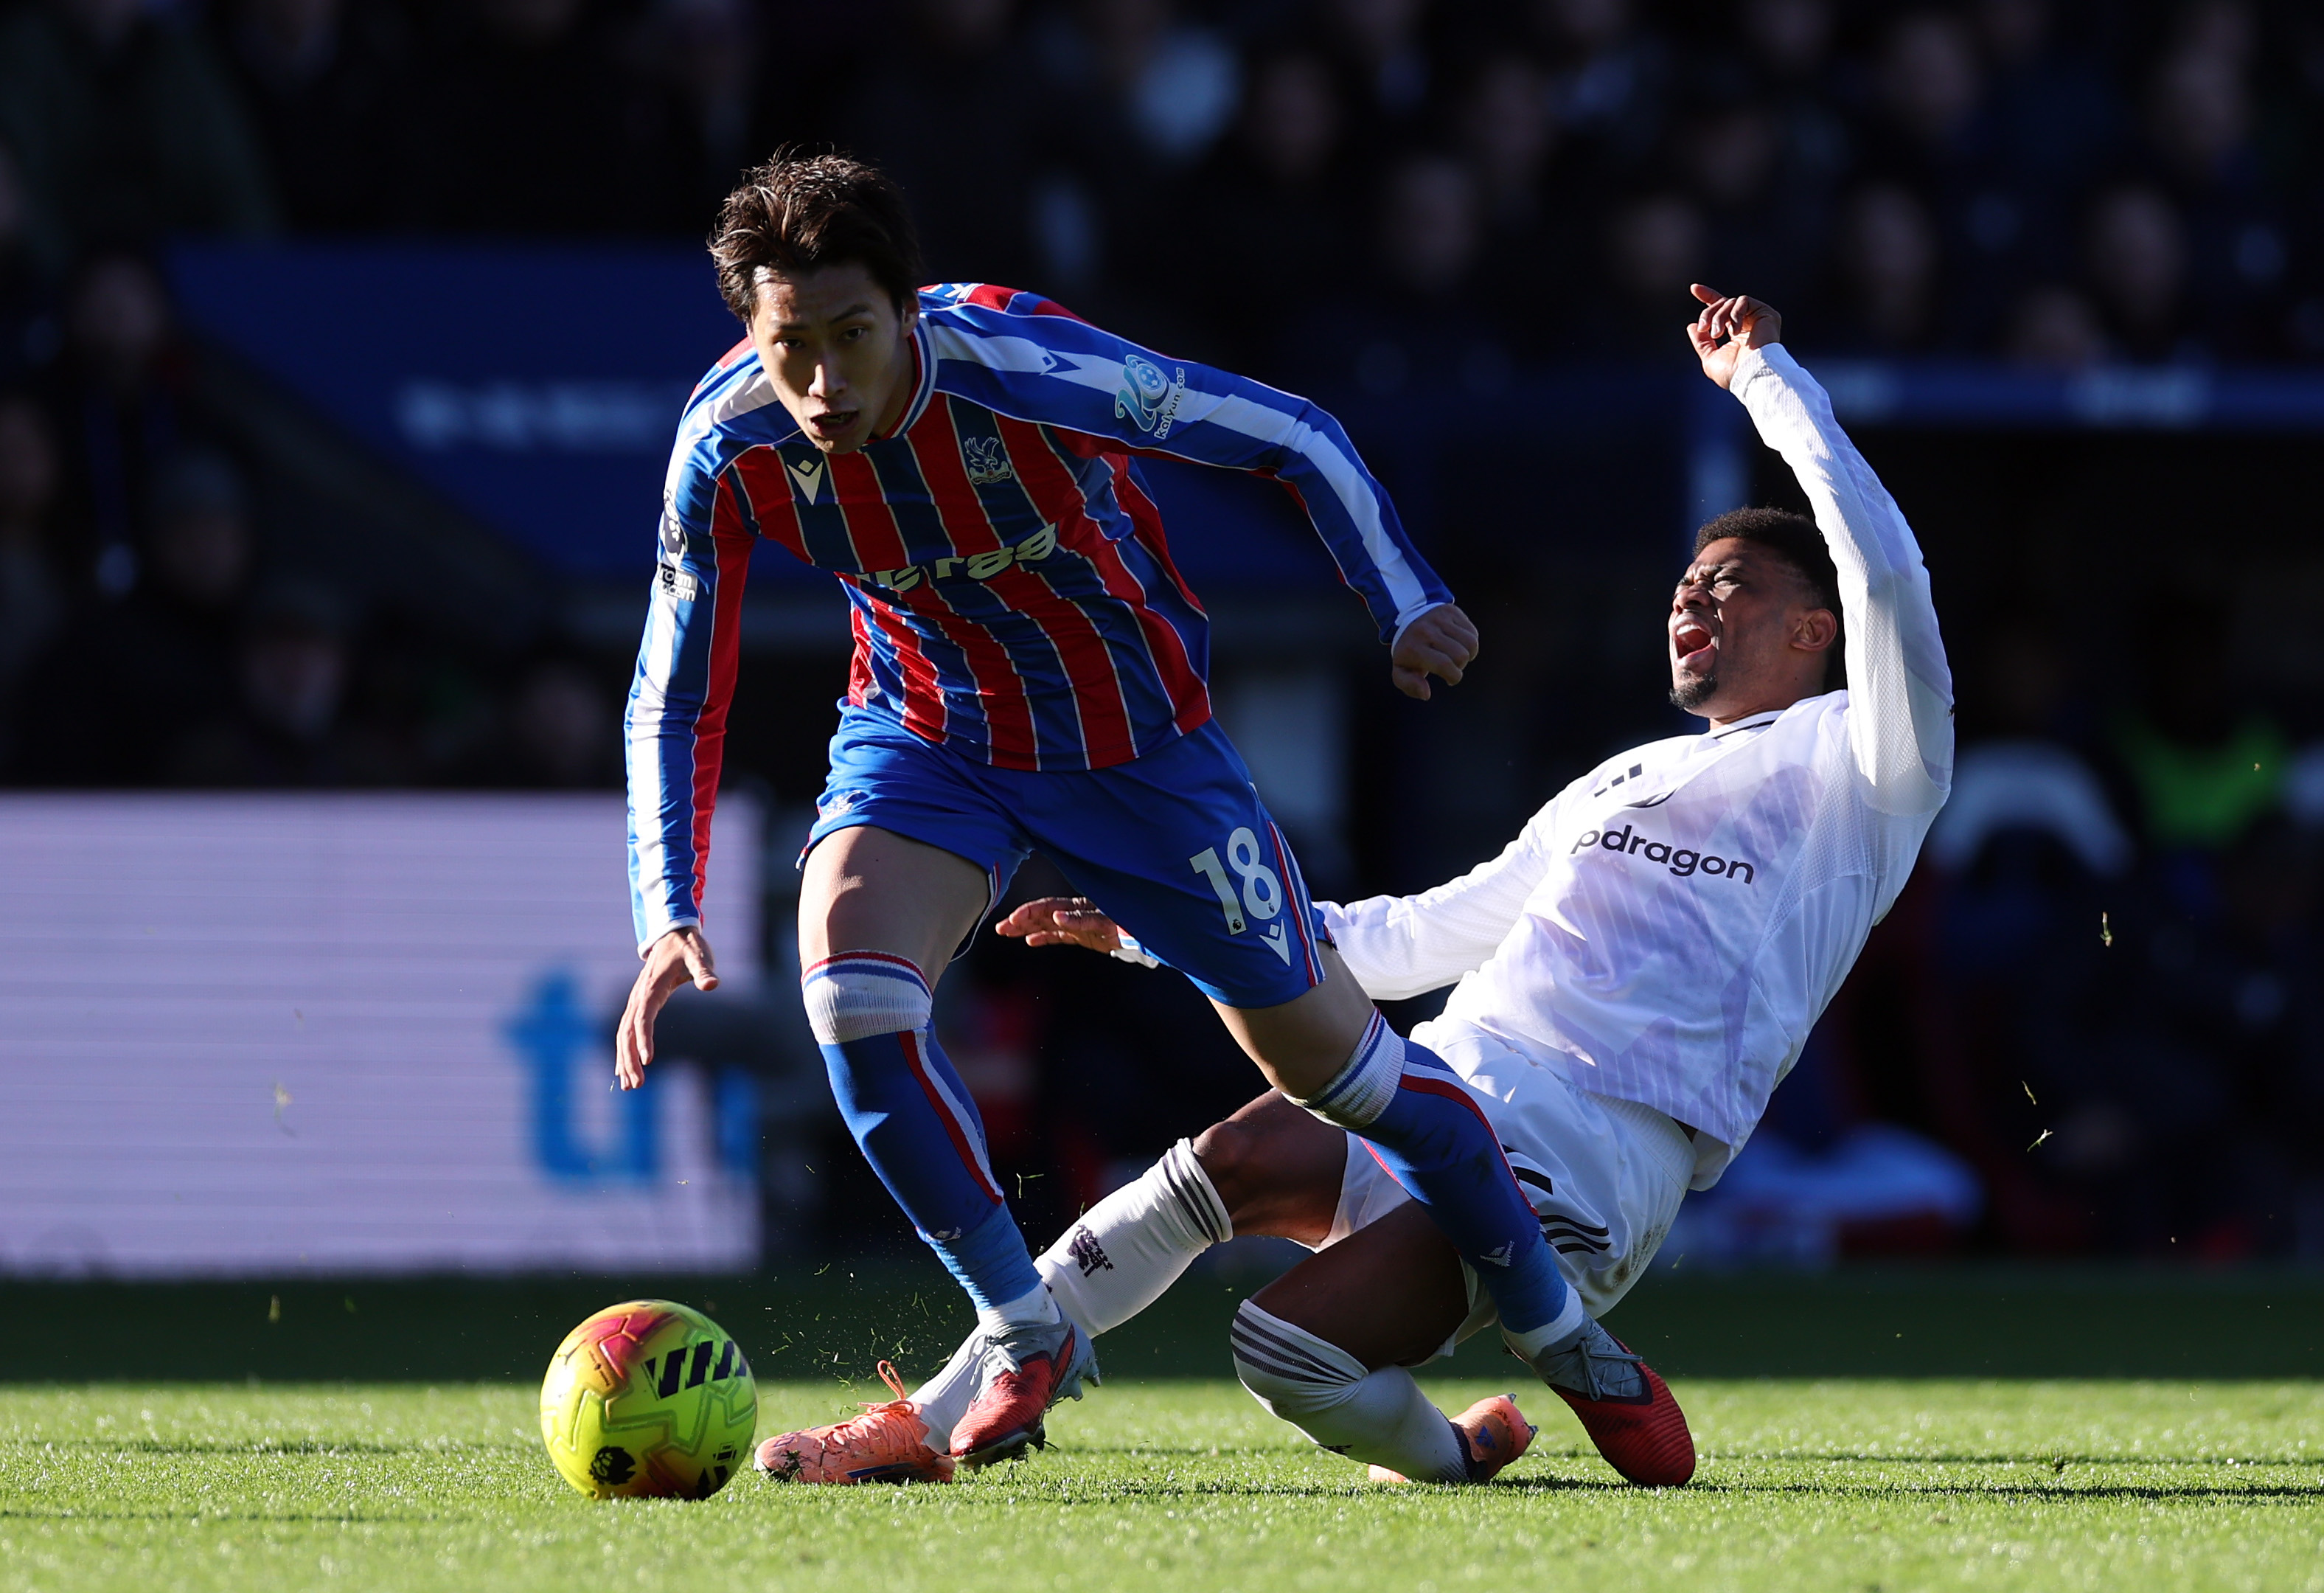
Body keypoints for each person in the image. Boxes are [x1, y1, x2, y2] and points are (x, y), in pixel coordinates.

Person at [749, 285, 1955, 1488]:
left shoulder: (1872, 766)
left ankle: (1458, 1449)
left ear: (1817, 630)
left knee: (1279, 1350)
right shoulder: (1625, 779)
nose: (1694, 593)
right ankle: (933, 1417)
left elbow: (1888, 575)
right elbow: (1417, 938)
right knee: (1201, 1172)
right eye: (1690, 577)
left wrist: (1767, 386)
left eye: (1734, 581)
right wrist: (1155, 935)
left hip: (1600, 1148)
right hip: (1455, 1070)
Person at [616, 150, 1616, 1470]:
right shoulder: (726, 444)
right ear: (752, 334)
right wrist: (668, 904)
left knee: (1348, 1078)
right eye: (790, 345)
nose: (823, 382)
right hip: (928, 735)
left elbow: (1293, 435)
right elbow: (674, 688)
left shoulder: (1029, 372)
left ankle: (1567, 1340)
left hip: (1139, 750)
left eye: (852, 336)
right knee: (850, 1000)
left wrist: (1404, 596)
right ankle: (1024, 1332)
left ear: (906, 312)